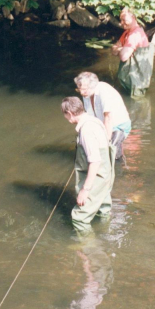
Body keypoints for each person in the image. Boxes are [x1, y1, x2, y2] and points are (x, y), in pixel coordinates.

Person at [61, 96, 116, 233]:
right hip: (106, 175)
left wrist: (85, 190)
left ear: (70, 113)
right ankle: (106, 234)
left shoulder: (86, 130)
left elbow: (95, 161)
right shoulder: (95, 121)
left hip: (97, 177)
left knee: (79, 219)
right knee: (103, 209)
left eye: (65, 115)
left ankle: (89, 250)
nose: (66, 118)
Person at [74, 71, 131, 160]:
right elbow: (89, 117)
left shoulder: (104, 91)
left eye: (84, 89)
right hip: (102, 125)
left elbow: (108, 118)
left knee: (112, 153)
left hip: (118, 125)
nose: (81, 92)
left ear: (93, 86)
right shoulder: (87, 94)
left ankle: (121, 168)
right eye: (79, 89)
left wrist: (106, 141)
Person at [112, 7, 154, 97]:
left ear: (133, 18)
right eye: (121, 20)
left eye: (124, 20)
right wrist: (121, 49)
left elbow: (123, 56)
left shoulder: (135, 35)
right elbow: (114, 50)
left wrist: (121, 49)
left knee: (136, 104)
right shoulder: (127, 32)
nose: (121, 23)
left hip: (136, 82)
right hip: (129, 80)